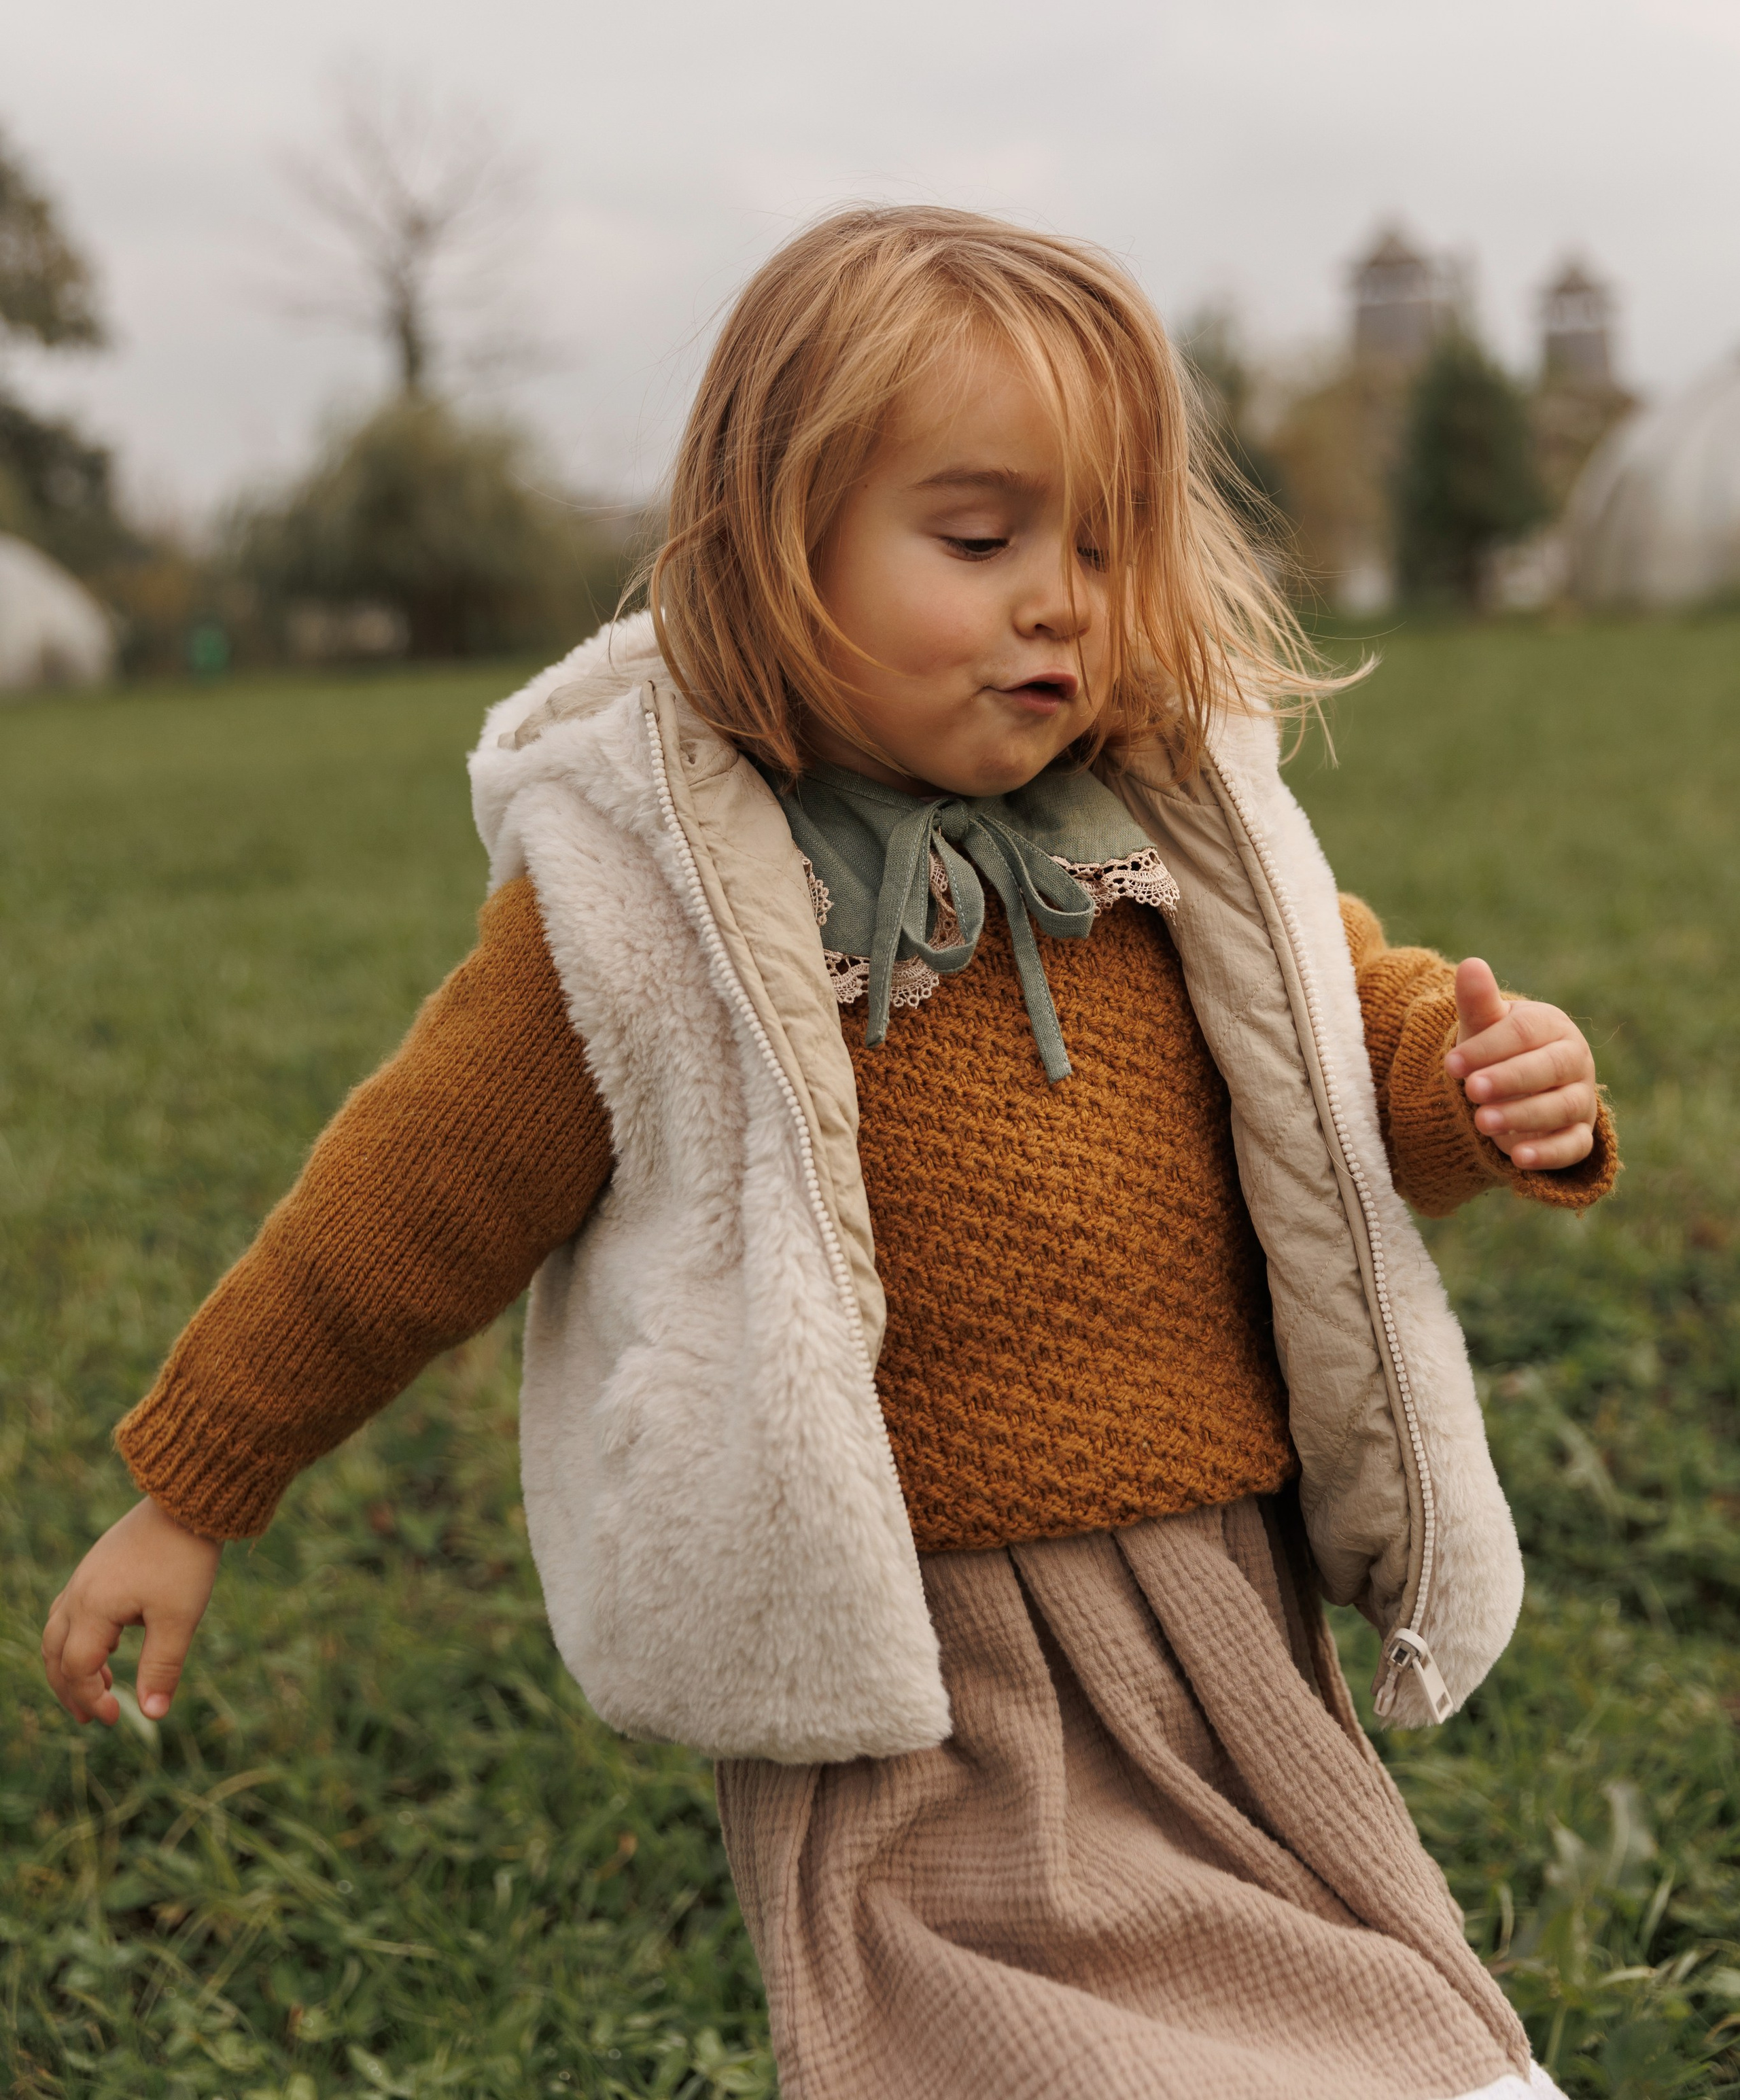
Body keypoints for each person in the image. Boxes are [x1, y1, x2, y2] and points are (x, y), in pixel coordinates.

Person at [43, 207, 1616, 2099]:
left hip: (1216, 1593)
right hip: (900, 1650)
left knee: (1345, 1978)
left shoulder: (1181, 842)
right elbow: (411, 1202)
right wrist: (201, 1479)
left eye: (1108, 546)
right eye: (980, 540)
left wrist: (1488, 1087)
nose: (1061, 599)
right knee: (988, 2039)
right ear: (775, 545)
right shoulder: (652, 908)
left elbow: (1348, 1055)